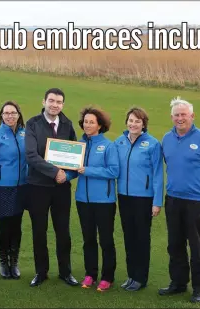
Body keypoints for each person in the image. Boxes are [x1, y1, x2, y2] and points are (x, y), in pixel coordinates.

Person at [159, 97, 200, 303]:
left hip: (197, 202)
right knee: (175, 244)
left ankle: (199, 288)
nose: (180, 118)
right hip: (174, 199)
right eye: (176, 115)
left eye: (184, 114)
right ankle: (178, 283)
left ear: (192, 116)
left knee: (197, 246)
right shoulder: (167, 139)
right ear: (172, 117)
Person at [25, 88, 79, 287]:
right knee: (39, 230)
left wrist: (66, 174)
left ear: (62, 104)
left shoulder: (67, 124)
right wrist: (54, 171)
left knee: (63, 230)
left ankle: (65, 272)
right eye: (51, 101)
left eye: (59, 102)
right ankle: (41, 272)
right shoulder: (32, 124)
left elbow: (74, 154)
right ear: (44, 101)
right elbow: (31, 156)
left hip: (60, 188)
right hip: (37, 186)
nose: (55, 105)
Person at [65, 107, 120, 292]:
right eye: (85, 122)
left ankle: (107, 276)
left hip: (104, 201)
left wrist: (88, 170)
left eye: (91, 122)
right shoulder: (79, 144)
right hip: (83, 200)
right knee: (88, 239)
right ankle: (90, 274)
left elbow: (114, 171)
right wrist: (62, 175)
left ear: (100, 125)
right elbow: (74, 169)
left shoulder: (108, 145)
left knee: (105, 240)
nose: (87, 125)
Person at [114, 107, 163, 291]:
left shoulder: (152, 144)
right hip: (124, 197)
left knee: (141, 238)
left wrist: (157, 202)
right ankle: (131, 275)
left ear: (143, 124)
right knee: (129, 237)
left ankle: (140, 278)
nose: (133, 124)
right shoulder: (119, 142)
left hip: (144, 198)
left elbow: (158, 173)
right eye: (130, 120)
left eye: (137, 121)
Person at [0, 101, 28, 280]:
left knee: (17, 226)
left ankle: (14, 262)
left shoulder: (25, 134)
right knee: (4, 227)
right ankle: (3, 261)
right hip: (1, 187)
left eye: (13, 113)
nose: (10, 116)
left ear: (19, 114)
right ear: (1, 116)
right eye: (6, 113)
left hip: (21, 187)